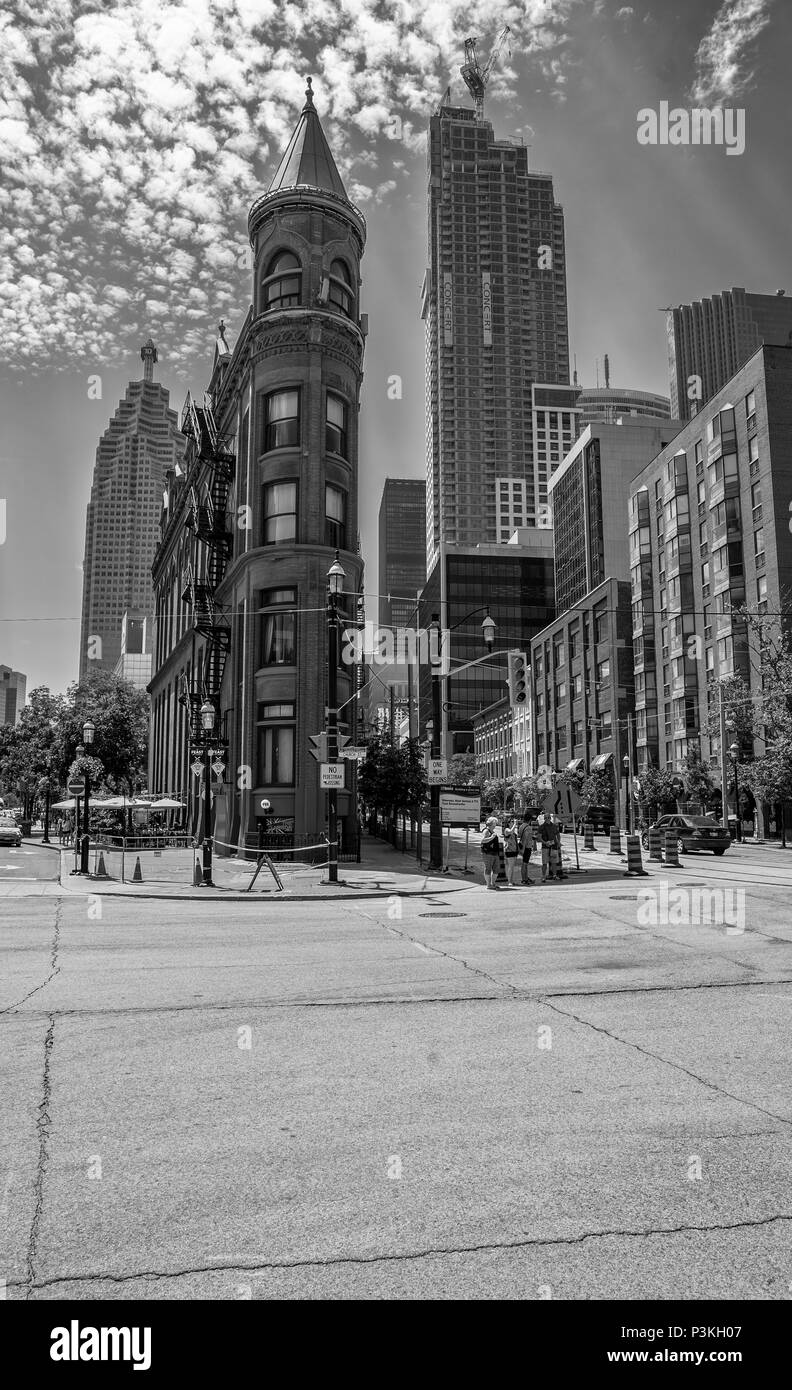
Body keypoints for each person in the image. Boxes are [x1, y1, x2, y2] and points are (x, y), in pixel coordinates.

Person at [480, 816, 500, 889]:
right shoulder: (486, 831)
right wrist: (492, 837)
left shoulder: (492, 831)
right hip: (487, 852)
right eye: (494, 823)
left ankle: (493, 883)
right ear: (491, 823)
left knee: (496, 868)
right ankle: (488, 885)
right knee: (488, 868)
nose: (495, 825)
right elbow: (483, 840)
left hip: (494, 853)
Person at [539, 813, 558, 882]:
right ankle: (543, 877)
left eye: (548, 817)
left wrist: (558, 843)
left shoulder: (554, 826)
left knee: (554, 862)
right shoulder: (541, 827)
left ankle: (554, 875)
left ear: (550, 818)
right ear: (544, 819)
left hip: (553, 847)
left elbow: (557, 834)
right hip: (545, 847)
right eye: (546, 817)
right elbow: (539, 837)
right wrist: (545, 843)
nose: (547, 819)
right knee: (544, 863)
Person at [518, 814, 536, 884]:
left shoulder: (521, 826)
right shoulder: (528, 827)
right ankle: (524, 879)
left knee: (525, 863)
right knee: (524, 864)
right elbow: (525, 838)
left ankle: (526, 877)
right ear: (530, 820)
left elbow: (521, 836)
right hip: (526, 847)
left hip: (522, 845)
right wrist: (524, 849)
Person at [503, 817, 519, 884]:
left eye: (513, 821)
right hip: (509, 850)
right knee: (510, 866)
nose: (513, 822)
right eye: (511, 821)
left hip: (514, 850)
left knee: (512, 867)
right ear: (508, 823)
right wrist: (515, 824)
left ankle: (512, 881)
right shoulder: (506, 830)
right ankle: (509, 881)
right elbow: (510, 832)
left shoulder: (513, 830)